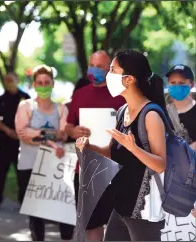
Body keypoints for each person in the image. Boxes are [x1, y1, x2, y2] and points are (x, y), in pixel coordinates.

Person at [77, 49, 169, 241]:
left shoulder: (150, 114)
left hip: (143, 210)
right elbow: (112, 152)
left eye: (113, 70)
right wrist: (89, 147)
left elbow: (161, 164)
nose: (108, 76)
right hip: (120, 204)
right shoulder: (122, 111)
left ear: (129, 79)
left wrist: (133, 148)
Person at [65, 50, 125, 241]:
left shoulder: (121, 95)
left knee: (122, 224)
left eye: (100, 66)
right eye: (92, 64)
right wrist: (73, 131)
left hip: (118, 169)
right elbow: (68, 125)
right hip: (87, 169)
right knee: (92, 224)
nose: (94, 69)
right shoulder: (80, 94)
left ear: (109, 69)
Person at [15, 64, 74, 241]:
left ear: (53, 83)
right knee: (36, 214)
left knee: (62, 209)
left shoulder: (62, 109)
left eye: (46, 82)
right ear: (34, 85)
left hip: (56, 165)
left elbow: (63, 135)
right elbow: (24, 136)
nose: (43, 86)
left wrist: (37, 133)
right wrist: (50, 135)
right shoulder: (25, 106)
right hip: (29, 164)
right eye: (39, 82)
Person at [0, 73, 30, 210]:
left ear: (17, 80)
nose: (9, 83)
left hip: (21, 143)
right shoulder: (2, 99)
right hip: (5, 142)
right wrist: (8, 131)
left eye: (11, 80)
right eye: (6, 80)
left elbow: (32, 117)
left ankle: (23, 202)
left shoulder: (25, 97)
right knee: (0, 173)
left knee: (22, 174)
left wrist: (20, 132)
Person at [165, 64, 196, 150]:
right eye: (173, 83)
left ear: (191, 84)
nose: (177, 86)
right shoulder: (164, 112)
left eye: (181, 83)